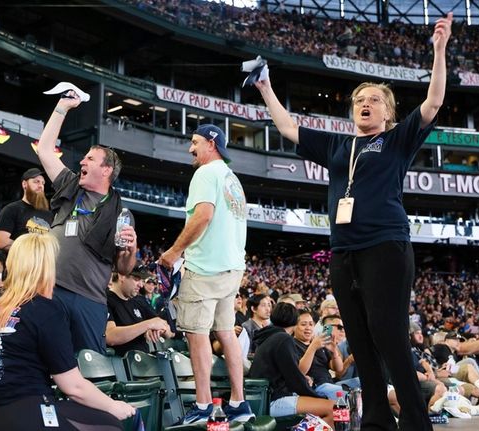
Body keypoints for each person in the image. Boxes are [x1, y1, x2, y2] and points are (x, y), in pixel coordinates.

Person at [254, 13, 453, 430]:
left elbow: (433, 103)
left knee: (388, 334)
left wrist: (438, 50)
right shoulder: (337, 146)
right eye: (360, 99)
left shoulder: (397, 140)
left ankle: (417, 422)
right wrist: (266, 89)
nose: (366, 103)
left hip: (386, 245)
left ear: (388, 112)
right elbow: (290, 128)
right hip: (343, 252)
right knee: (361, 340)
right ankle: (377, 421)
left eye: (375, 100)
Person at [0, 233, 136, 430]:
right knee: (112, 425)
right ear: (47, 268)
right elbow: (73, 387)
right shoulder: (45, 308)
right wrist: (114, 406)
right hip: (23, 412)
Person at [159, 124, 253, 423]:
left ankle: (202, 407)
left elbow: (203, 216)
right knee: (226, 333)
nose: (190, 148)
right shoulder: (232, 178)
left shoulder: (205, 173)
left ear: (211, 143)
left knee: (197, 334)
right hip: (232, 268)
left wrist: (174, 252)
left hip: (205, 268)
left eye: (195, 142)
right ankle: (239, 403)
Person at [36, 93, 137, 353]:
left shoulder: (120, 213)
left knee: (88, 366)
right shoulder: (70, 186)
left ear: (106, 171)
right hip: (50, 291)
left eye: (90, 159)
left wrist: (131, 250)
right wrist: (62, 107)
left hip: (89, 301)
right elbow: (45, 149)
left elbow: (124, 268)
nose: (82, 161)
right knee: (43, 360)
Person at [248, 303, 334, 426]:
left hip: (268, 397)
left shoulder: (273, 336)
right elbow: (294, 379)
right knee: (332, 407)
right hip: (274, 399)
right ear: (295, 321)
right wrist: (316, 396)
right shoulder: (283, 338)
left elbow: (288, 372)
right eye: (303, 323)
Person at [106, 263, 173, 356]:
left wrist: (160, 330)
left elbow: (169, 331)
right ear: (122, 276)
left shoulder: (139, 301)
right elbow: (111, 337)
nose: (141, 285)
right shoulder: (105, 299)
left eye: (142, 280)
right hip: (119, 364)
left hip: (143, 362)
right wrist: (148, 325)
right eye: (137, 279)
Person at [0, 167, 53, 253]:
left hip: (43, 265)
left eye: (43, 183)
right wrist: (28, 251)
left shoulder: (49, 214)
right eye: (36, 181)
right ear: (24, 184)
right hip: (20, 265)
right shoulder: (12, 209)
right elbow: (0, 240)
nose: (41, 186)